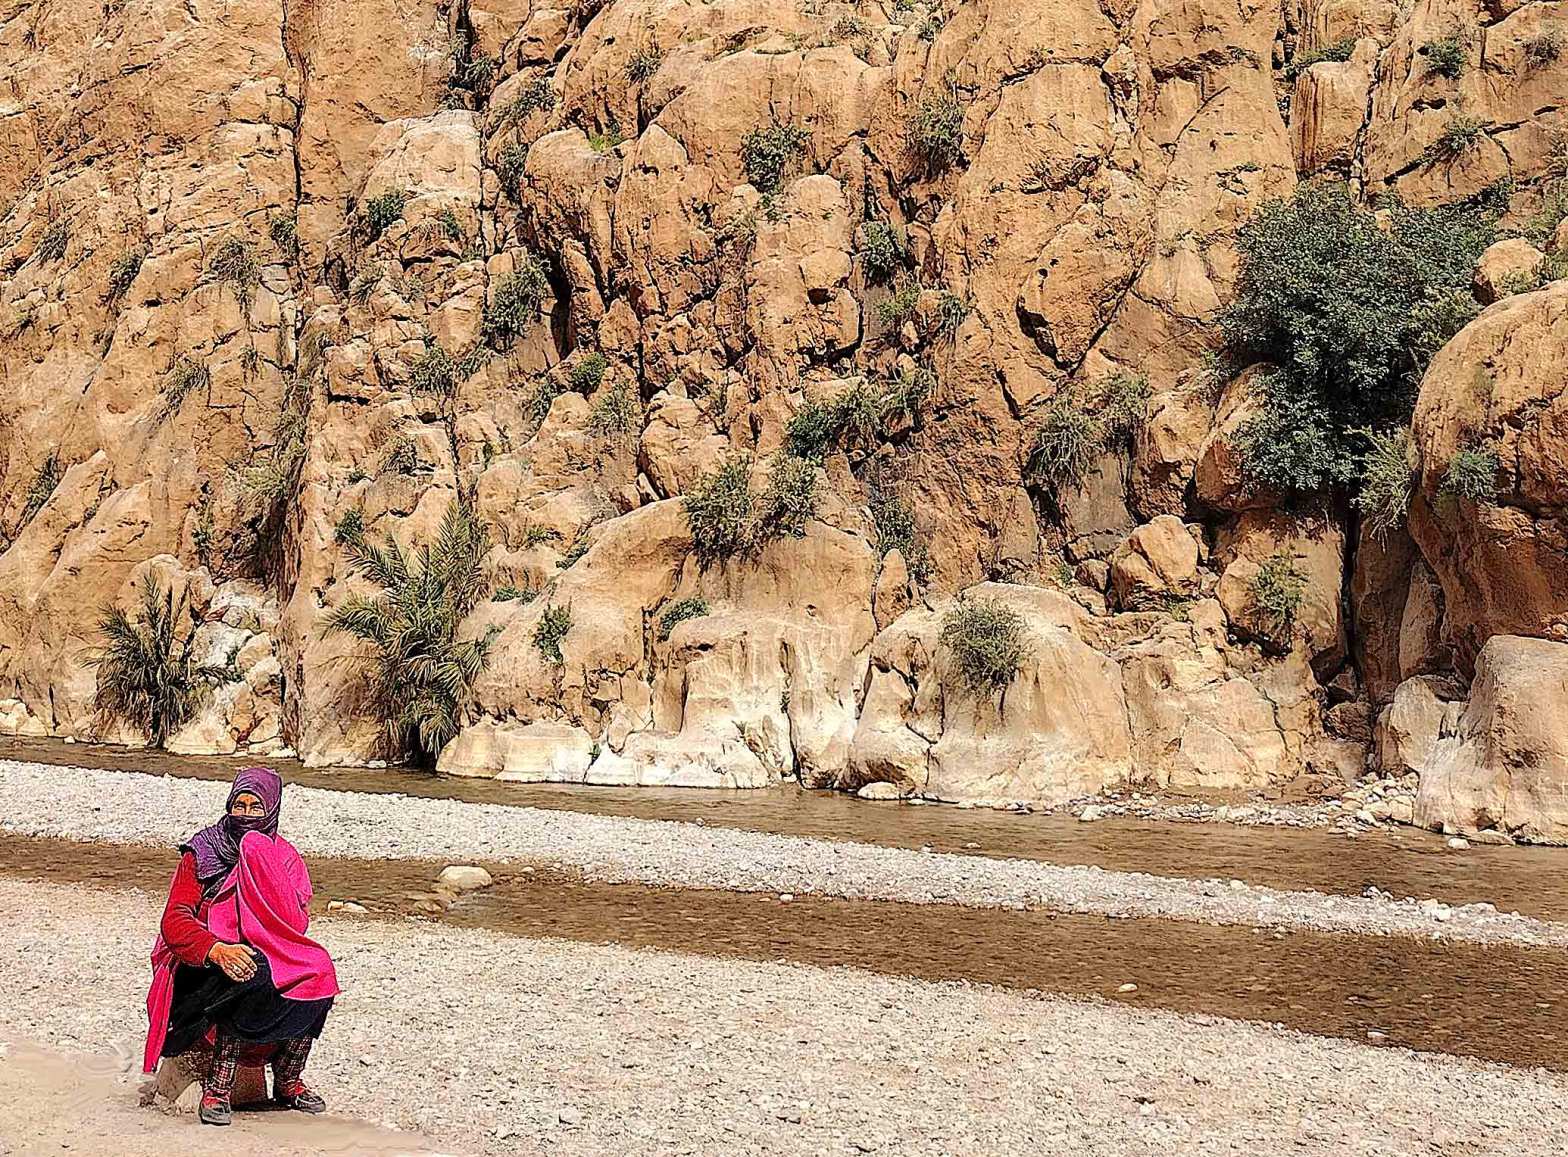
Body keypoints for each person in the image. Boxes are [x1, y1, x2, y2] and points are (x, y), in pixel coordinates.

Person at [142, 766, 340, 1126]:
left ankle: (288, 1077)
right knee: (252, 972)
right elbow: (175, 920)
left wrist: (259, 864)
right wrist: (216, 949)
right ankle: (219, 1086)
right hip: (200, 965)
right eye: (239, 805)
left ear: (273, 809)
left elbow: (294, 922)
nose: (246, 815)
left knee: (319, 971)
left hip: (266, 949)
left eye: (256, 807)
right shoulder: (204, 852)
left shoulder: (283, 857)